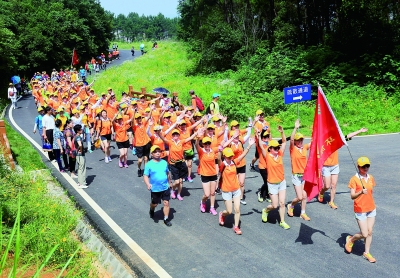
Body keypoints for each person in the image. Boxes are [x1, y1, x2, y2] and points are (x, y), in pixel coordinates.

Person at [318, 127, 368, 209]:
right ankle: (321, 192)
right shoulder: (322, 141)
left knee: (333, 185)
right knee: (327, 186)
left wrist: (359, 131)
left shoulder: (336, 140)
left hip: (335, 166)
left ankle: (331, 202)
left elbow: (347, 136)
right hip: (326, 166)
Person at [218, 137, 255, 235]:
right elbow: (218, 159)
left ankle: (236, 226)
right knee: (229, 211)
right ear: (224, 156)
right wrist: (219, 150)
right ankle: (222, 214)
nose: (230, 158)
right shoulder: (222, 165)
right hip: (226, 190)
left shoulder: (234, 162)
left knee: (237, 209)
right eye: (228, 156)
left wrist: (249, 146)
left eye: (231, 156)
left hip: (236, 189)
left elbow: (243, 155)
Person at [345, 157, 377, 263]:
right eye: (363, 166)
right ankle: (351, 239)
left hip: (371, 208)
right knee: (364, 234)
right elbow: (352, 196)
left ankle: (366, 252)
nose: (366, 168)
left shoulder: (371, 177)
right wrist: (360, 192)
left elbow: (371, 192)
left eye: (367, 166)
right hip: (360, 209)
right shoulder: (354, 179)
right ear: (358, 167)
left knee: (370, 232)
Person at [259, 126, 290, 230]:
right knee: (274, 205)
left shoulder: (280, 154)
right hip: (272, 183)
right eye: (275, 148)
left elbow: (285, 142)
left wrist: (282, 132)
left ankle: (282, 221)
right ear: (270, 149)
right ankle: (265, 211)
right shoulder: (267, 156)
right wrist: (259, 135)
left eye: (278, 147)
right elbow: (260, 144)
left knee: (282, 203)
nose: (277, 149)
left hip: (281, 182)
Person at [287, 119, 311, 221]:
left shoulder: (305, 148)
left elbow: (314, 142)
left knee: (304, 196)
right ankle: (291, 206)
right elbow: (291, 140)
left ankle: (303, 213)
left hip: (304, 175)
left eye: (302, 140)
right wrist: (295, 128)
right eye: (299, 140)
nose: (300, 141)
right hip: (296, 176)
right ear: (296, 141)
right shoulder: (293, 149)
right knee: (300, 197)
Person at [144, 145, 173, 226]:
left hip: (165, 187)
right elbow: (145, 175)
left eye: (159, 151)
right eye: (155, 152)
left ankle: (166, 219)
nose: (157, 153)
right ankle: (152, 209)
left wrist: (170, 182)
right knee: (155, 204)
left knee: (166, 203)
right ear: (152, 154)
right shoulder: (149, 164)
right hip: (155, 189)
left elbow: (167, 173)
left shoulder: (164, 162)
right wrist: (148, 184)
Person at [73, 124, 88, 189]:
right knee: (82, 168)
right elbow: (80, 145)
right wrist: (81, 150)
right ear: (77, 130)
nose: (81, 130)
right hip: (80, 155)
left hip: (77, 154)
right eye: (80, 129)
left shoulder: (76, 136)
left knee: (79, 168)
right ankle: (82, 183)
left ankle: (79, 182)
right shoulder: (78, 137)